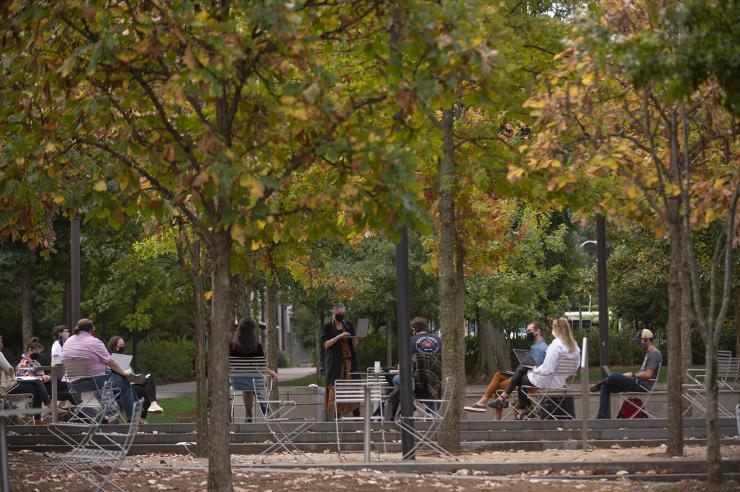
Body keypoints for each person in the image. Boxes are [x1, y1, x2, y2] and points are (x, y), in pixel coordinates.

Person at [490, 317, 580, 418]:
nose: (552, 331)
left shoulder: (555, 346)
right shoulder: (575, 347)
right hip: (561, 381)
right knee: (522, 370)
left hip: (548, 381)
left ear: (556, 330)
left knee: (521, 377)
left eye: (553, 328)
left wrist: (535, 369)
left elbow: (547, 369)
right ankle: (516, 405)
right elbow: (576, 367)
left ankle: (516, 405)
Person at [465, 321, 548, 418]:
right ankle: (486, 404)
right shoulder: (540, 346)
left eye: (529, 330)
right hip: (527, 378)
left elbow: (534, 368)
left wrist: (520, 369)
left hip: (530, 381)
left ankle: (487, 408)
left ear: (537, 331)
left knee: (498, 384)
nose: (527, 333)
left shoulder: (539, 348)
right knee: (498, 375)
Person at [62, 318, 138, 422]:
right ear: (91, 329)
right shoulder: (94, 342)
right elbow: (110, 362)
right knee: (125, 381)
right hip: (95, 381)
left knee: (111, 381)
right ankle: (133, 419)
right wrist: (124, 373)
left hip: (73, 385)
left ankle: (118, 413)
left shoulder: (68, 341)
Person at [593, 328, 662, 419]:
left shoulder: (654, 353)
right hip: (637, 382)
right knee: (605, 386)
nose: (639, 343)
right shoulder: (649, 353)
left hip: (642, 385)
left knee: (613, 375)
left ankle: (600, 383)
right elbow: (644, 372)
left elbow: (648, 375)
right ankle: (601, 418)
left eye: (640, 340)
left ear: (647, 339)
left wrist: (632, 375)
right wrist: (631, 375)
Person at [387, 316, 441, 418]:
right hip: (436, 382)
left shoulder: (410, 341)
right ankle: (431, 412)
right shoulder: (440, 340)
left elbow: (401, 367)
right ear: (426, 327)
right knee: (431, 380)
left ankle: (412, 410)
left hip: (416, 382)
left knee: (397, 379)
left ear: (414, 329)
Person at [106, 336, 164, 424]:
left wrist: (135, 376)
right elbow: (116, 376)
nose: (122, 347)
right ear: (114, 346)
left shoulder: (124, 359)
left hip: (131, 384)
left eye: (123, 345)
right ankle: (144, 415)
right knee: (147, 391)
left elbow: (129, 373)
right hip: (123, 389)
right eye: (121, 345)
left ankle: (152, 405)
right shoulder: (110, 360)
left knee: (149, 381)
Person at [230, 318, 278, 422]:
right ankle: (264, 407)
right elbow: (262, 367)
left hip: (237, 381)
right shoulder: (257, 346)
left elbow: (228, 364)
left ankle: (248, 412)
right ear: (252, 331)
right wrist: (272, 372)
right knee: (257, 381)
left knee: (247, 386)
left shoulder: (232, 345)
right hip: (254, 380)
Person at [322, 303, 360, 418]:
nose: (341, 315)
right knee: (336, 387)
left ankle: (356, 415)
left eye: (343, 313)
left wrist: (353, 338)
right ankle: (337, 415)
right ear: (333, 312)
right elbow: (326, 344)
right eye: (339, 313)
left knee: (352, 386)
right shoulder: (328, 326)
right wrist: (339, 336)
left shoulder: (349, 325)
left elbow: (355, 344)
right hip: (335, 363)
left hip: (349, 362)